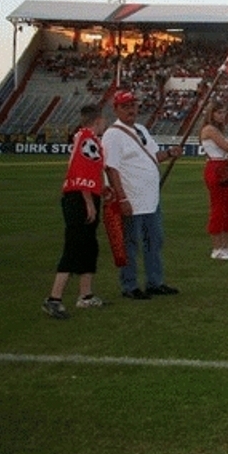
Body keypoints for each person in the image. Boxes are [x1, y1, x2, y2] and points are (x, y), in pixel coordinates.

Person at [102, 89, 183, 300]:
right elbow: (112, 169)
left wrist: (169, 153)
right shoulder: (113, 135)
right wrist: (122, 198)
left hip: (150, 199)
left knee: (154, 241)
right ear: (116, 109)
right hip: (132, 198)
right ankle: (129, 285)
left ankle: (154, 282)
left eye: (133, 105)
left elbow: (154, 156)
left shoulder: (141, 129)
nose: (131, 110)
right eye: (125, 106)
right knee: (131, 243)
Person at [43, 104, 107, 319]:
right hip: (79, 198)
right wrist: (88, 200)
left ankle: (86, 295)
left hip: (85, 195)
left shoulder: (86, 138)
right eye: (103, 119)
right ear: (97, 120)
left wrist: (101, 190)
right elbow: (81, 172)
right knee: (75, 246)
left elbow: (90, 171)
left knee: (89, 246)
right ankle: (54, 298)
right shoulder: (87, 139)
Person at [200, 100, 228, 261]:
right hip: (216, 167)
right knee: (219, 208)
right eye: (219, 112)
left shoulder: (217, 130)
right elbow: (227, 147)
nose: (222, 115)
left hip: (223, 165)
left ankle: (227, 246)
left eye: (223, 112)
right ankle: (217, 248)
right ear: (211, 114)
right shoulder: (209, 129)